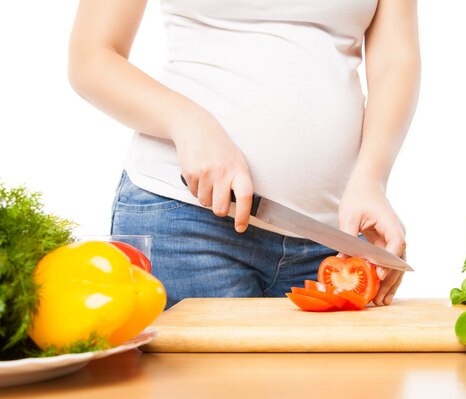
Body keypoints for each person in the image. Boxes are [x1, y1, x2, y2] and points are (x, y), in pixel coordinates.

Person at [68, 0, 420, 309]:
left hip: (333, 239)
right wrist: (188, 122)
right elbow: (92, 57)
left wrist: (371, 178)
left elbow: (395, 59)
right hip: (187, 223)